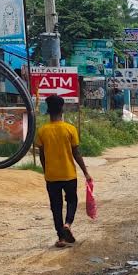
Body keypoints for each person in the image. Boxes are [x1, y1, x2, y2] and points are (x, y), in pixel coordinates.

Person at [36, 95, 92, 248]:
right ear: (62, 109)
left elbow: (42, 155)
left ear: (48, 111)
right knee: (72, 201)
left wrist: (46, 170)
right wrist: (85, 172)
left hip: (52, 176)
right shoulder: (70, 129)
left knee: (56, 206)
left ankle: (61, 238)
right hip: (69, 174)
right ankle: (67, 224)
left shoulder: (42, 131)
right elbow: (76, 153)